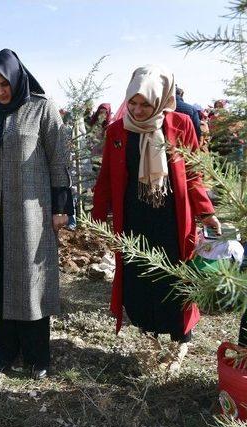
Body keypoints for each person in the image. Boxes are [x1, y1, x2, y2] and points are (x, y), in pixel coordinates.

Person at [92, 66, 220, 361]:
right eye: (132, 103)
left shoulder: (181, 124)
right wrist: (98, 220)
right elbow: (107, 181)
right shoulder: (117, 130)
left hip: (172, 219)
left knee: (175, 277)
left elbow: (192, 175)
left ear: (161, 100)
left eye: (145, 104)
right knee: (139, 277)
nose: (137, 110)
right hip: (135, 218)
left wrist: (205, 212)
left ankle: (180, 340)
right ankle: (148, 334)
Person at [0, 49, 72, 379]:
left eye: (5, 84)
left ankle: (36, 354)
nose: (0, 91)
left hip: (32, 210)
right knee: (0, 276)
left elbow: (59, 159)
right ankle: (4, 349)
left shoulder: (42, 109)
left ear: (17, 79)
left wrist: (60, 208)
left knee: (30, 279)